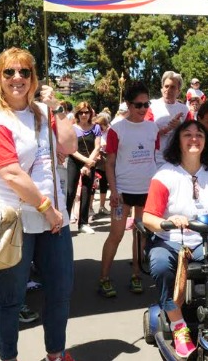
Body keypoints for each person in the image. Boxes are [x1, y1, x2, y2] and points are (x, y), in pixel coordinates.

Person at [0, 47, 77, 361]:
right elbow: (11, 174)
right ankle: (9, 358)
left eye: (24, 72)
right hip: (16, 222)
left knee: (60, 293)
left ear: (34, 78)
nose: (17, 78)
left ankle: (56, 354)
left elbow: (70, 145)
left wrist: (58, 108)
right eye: (9, 72)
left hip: (53, 221)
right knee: (10, 300)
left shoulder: (41, 111)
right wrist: (48, 210)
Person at [143, 120, 208, 359]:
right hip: (171, 240)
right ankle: (178, 325)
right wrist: (169, 221)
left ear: (206, 141)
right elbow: (148, 217)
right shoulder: (165, 174)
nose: (194, 139)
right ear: (178, 141)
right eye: (187, 134)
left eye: (199, 134)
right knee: (160, 264)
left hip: (206, 242)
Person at [99, 81, 158, 297]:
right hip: (123, 192)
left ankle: (136, 274)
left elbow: (154, 157)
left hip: (146, 191)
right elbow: (110, 163)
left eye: (146, 104)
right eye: (138, 105)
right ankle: (104, 277)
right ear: (128, 104)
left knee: (140, 236)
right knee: (116, 235)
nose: (143, 109)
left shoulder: (153, 127)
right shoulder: (117, 129)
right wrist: (114, 191)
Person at [66, 101, 102, 234]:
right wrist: (85, 161)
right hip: (75, 161)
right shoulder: (72, 128)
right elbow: (71, 149)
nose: (84, 115)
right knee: (70, 191)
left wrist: (88, 163)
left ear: (90, 113)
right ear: (77, 114)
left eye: (86, 112)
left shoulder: (96, 128)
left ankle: (83, 222)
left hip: (90, 162)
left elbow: (97, 147)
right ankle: (65, 222)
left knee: (87, 191)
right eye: (81, 112)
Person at [147, 71, 188, 167]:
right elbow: (146, 133)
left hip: (177, 160)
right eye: (166, 86)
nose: (168, 90)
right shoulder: (152, 107)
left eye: (173, 87)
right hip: (155, 159)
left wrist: (179, 127)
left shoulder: (185, 110)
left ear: (179, 91)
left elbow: (190, 135)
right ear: (162, 89)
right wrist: (166, 129)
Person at [93, 113, 112, 216]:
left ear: (105, 124)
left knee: (104, 182)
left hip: (105, 158)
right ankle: (90, 207)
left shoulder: (110, 131)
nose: (99, 129)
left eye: (101, 127)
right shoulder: (95, 131)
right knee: (93, 184)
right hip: (96, 158)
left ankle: (102, 206)